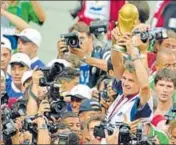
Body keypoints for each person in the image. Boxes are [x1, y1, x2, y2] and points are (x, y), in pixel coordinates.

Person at [58, 22, 111, 87]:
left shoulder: (100, 53)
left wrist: (84, 58)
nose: (79, 42)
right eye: (75, 38)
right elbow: (58, 82)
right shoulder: (67, 58)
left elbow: (113, 67)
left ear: (90, 38)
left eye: (82, 38)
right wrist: (60, 56)